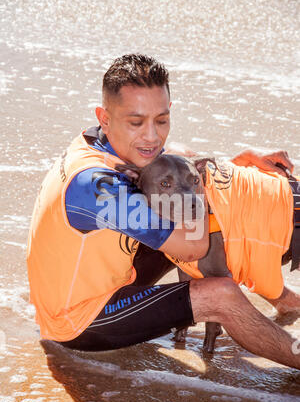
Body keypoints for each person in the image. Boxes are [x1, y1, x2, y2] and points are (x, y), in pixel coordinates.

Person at [27, 53, 300, 369]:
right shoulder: (100, 187)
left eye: (161, 119)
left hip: (101, 277)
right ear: (105, 116)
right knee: (220, 289)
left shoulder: (97, 140)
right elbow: (195, 244)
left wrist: (236, 162)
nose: (152, 136)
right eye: (136, 122)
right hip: (78, 321)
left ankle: (285, 298)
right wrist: (209, 189)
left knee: (185, 204)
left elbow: (178, 156)